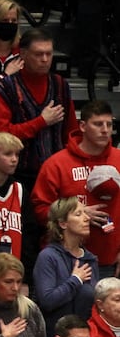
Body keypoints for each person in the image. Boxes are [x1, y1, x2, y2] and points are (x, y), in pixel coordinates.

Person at [33, 103, 120, 275]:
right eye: (98, 124)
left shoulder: (118, 160)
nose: (105, 130)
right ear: (82, 126)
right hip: (66, 261)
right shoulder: (57, 164)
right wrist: (75, 213)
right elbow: (39, 209)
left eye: (109, 125)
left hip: (110, 260)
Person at [0, 29, 79, 190]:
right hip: (18, 175)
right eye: (38, 54)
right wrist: (41, 122)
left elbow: (71, 130)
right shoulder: (7, 87)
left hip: (56, 172)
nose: (45, 60)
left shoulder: (60, 84)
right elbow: (1, 135)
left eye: (49, 54)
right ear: (23, 54)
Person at [33, 198, 98, 326]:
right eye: (78, 214)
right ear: (63, 223)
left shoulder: (90, 259)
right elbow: (47, 301)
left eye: (85, 213)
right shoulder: (48, 257)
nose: (87, 218)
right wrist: (75, 280)